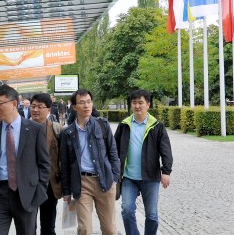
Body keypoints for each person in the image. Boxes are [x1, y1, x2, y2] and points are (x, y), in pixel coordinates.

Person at [0, 85, 50, 235]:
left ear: (14, 103)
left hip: (26, 195)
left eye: (0, 103)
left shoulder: (35, 129)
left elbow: (44, 164)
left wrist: (38, 192)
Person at [59, 89, 120, 235]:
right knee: (84, 229)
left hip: (104, 180)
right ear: (74, 107)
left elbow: (113, 153)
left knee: (110, 229)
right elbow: (65, 165)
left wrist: (115, 178)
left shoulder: (102, 125)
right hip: (82, 183)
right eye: (82, 102)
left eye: (88, 102)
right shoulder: (67, 133)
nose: (86, 105)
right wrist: (66, 191)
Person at [114, 90, 173, 235]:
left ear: (148, 105)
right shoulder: (124, 125)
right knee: (127, 211)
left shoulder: (157, 126)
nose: (137, 106)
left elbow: (166, 151)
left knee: (152, 216)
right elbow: (114, 150)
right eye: (134, 103)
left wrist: (166, 171)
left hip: (150, 177)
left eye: (140, 103)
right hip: (128, 178)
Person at [29, 93, 63, 235]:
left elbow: (63, 158)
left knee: (48, 226)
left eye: (39, 107)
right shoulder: (23, 128)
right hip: (28, 185)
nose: (35, 110)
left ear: (48, 110)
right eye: (33, 106)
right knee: (28, 226)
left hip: (49, 184)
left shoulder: (57, 129)